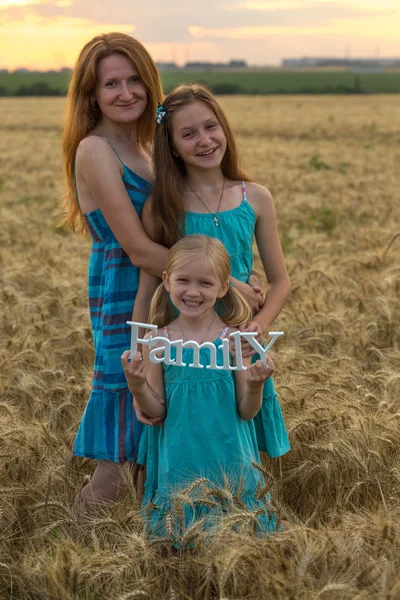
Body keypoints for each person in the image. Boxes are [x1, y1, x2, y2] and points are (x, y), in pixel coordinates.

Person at [132, 84, 291, 463]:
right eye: (187, 134)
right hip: (183, 351)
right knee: (183, 444)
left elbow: (281, 281)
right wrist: (139, 352)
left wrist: (260, 325)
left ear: (224, 128)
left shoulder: (255, 198)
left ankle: (240, 514)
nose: (204, 140)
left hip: (237, 344)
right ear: (170, 145)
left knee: (239, 440)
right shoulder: (162, 208)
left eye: (210, 127)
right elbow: (148, 286)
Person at [60, 32, 169, 505]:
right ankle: (70, 558)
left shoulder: (149, 149)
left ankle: (149, 562)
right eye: (111, 84)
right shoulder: (95, 150)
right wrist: (222, 285)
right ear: (92, 95)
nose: (126, 93)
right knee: (120, 460)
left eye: (134, 80)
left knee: (152, 451)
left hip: (168, 296)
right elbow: (141, 250)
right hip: (124, 298)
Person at [122, 235, 281, 541]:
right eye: (183, 280)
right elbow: (157, 413)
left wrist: (256, 384)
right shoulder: (157, 342)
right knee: (180, 548)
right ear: (167, 281)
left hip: (231, 461)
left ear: (224, 287)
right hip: (181, 464)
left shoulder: (234, 341)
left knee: (241, 544)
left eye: (205, 284)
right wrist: (137, 386)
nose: (193, 291)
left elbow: (247, 412)